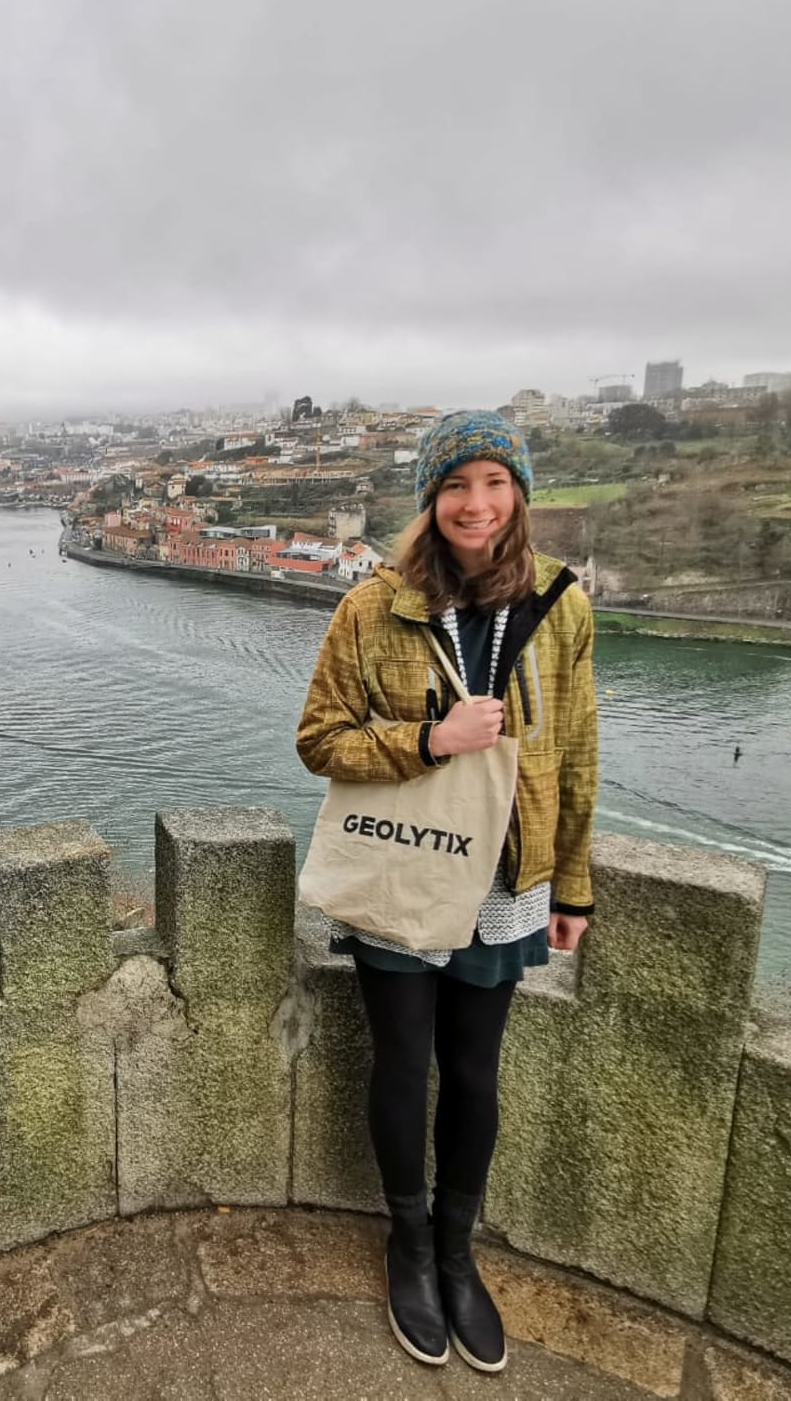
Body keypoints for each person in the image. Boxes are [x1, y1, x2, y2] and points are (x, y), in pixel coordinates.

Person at [296, 410, 599, 1374]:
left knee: (474, 1070)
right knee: (403, 1059)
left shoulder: (561, 603)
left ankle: (459, 1252)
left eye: (496, 484)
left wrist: (576, 886)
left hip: (510, 873)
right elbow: (319, 740)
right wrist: (428, 741)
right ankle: (409, 1243)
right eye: (458, 486)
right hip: (408, 862)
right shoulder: (372, 607)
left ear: (520, 494)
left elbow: (578, 750)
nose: (478, 504)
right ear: (432, 499)